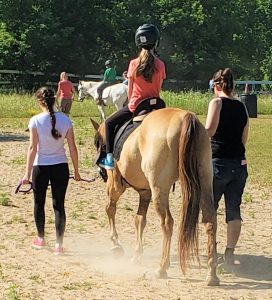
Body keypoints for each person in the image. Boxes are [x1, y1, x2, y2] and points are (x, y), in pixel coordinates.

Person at [97, 24, 166, 170]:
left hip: (136, 107)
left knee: (109, 123)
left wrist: (131, 104)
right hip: (156, 106)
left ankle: (109, 159)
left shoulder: (133, 63)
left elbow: (131, 89)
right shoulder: (160, 64)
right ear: (156, 42)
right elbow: (159, 87)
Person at [21, 87, 81, 255]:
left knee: (39, 203)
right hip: (60, 166)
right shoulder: (66, 120)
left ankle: (41, 239)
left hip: (41, 167)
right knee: (59, 205)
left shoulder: (35, 120)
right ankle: (58, 245)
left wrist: (27, 174)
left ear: (40, 101)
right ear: (54, 100)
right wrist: (76, 171)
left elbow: (33, 148)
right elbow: (73, 148)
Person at [205, 68, 249, 265]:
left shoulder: (216, 103)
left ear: (217, 85)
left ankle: (211, 249)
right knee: (234, 210)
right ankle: (229, 253)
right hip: (239, 164)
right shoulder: (242, 106)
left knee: (210, 208)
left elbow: (210, 131)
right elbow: (244, 138)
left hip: (218, 163)